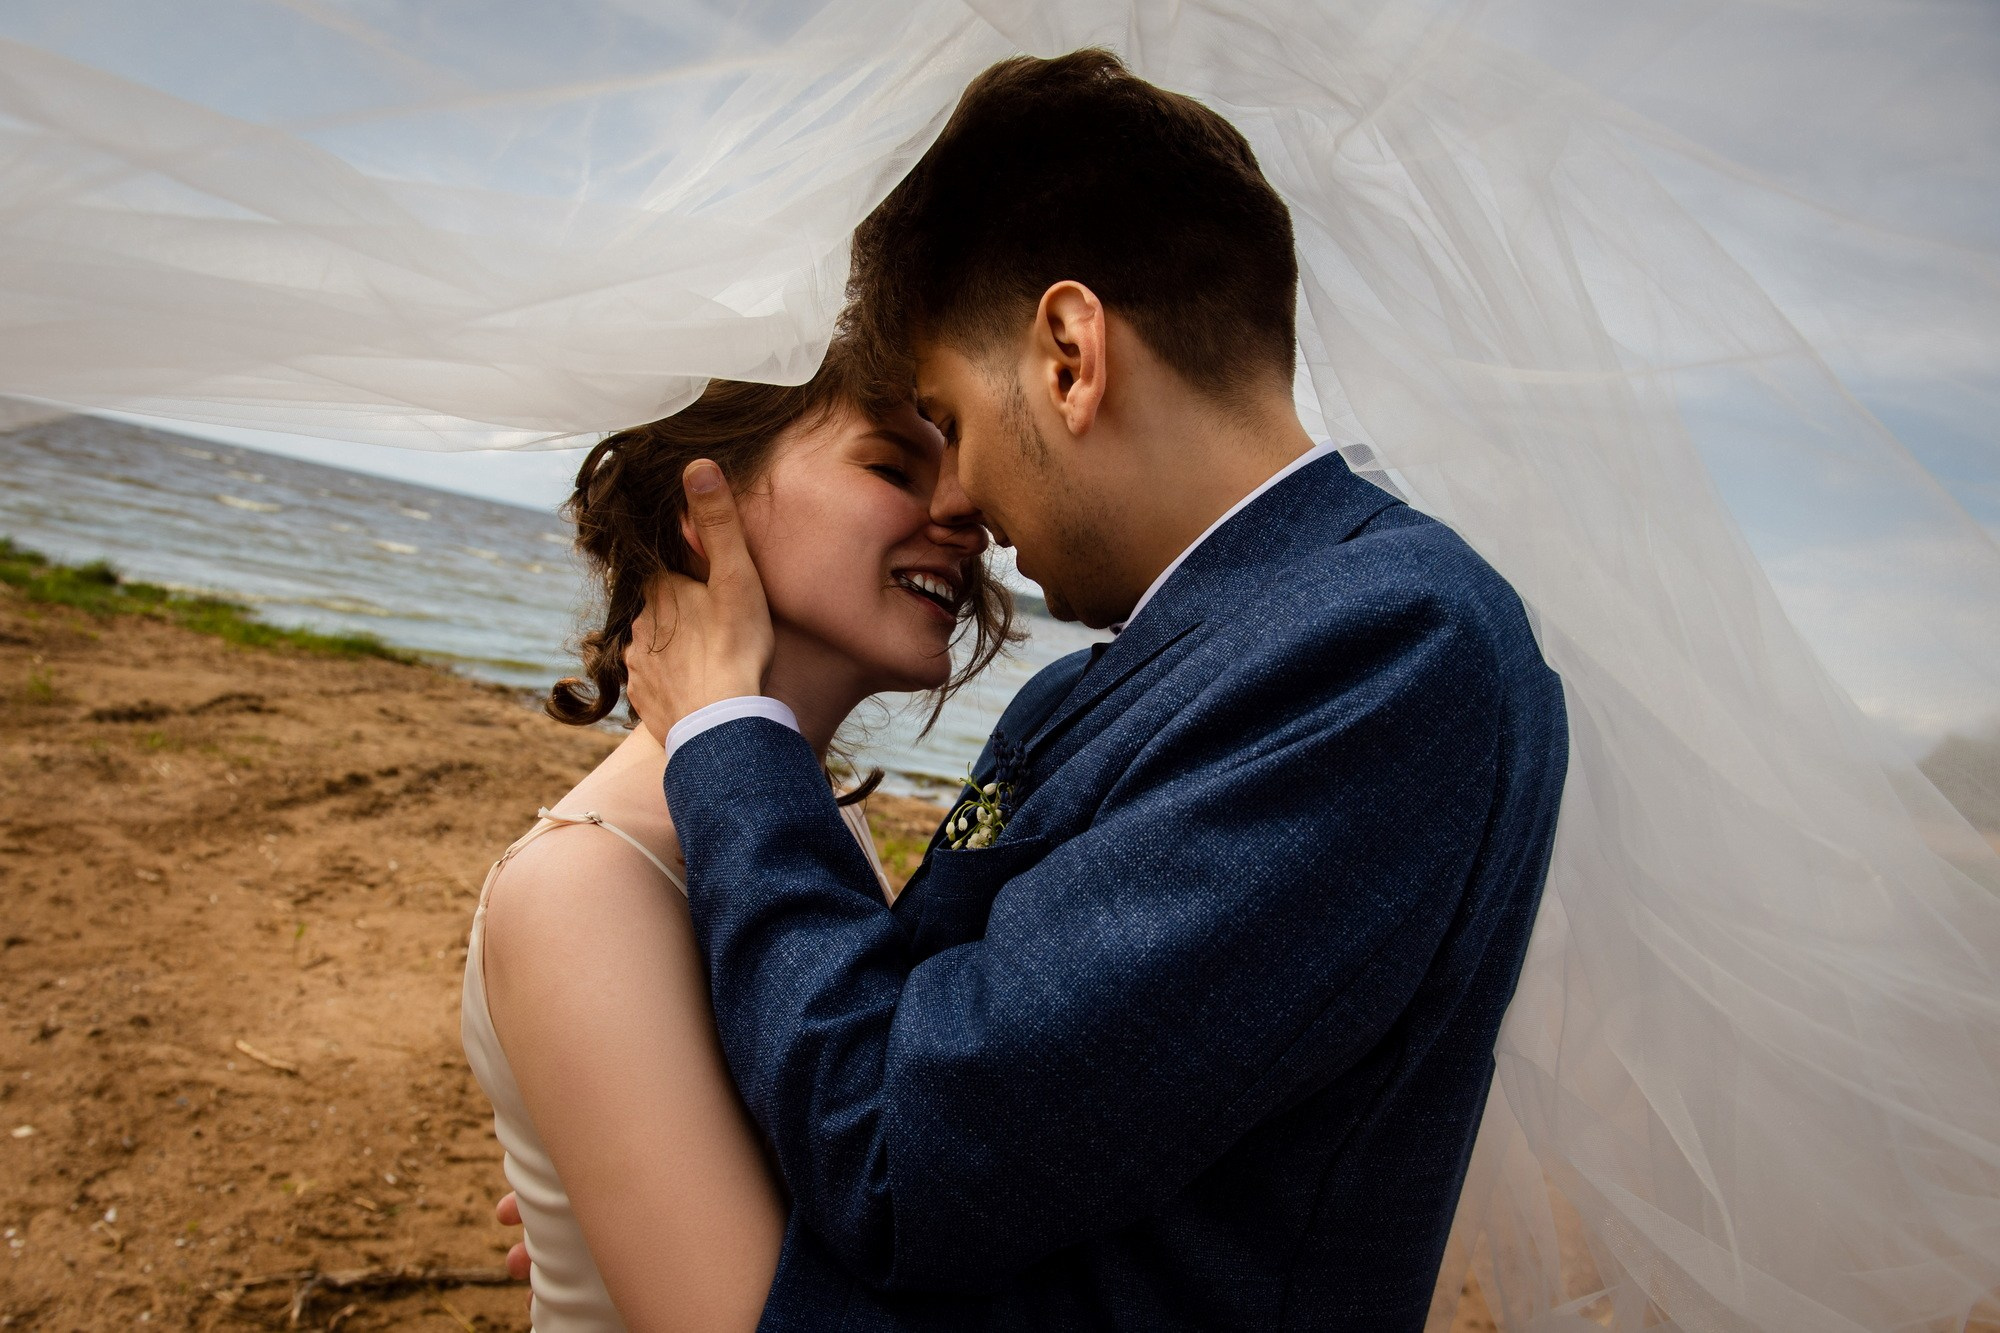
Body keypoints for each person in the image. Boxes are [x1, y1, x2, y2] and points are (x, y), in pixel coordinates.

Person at [618, 51, 1568, 1331]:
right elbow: (893, 1035)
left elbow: (902, 1153)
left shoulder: (1393, 641)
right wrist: (649, 1184)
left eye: (946, 422)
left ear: (1068, 354)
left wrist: (732, 731)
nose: (950, 502)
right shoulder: (1112, 679)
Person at [461, 348, 1016, 1332]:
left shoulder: (808, 816)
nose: (965, 509)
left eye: (957, 457)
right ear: (699, 507)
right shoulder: (588, 883)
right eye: (891, 468)